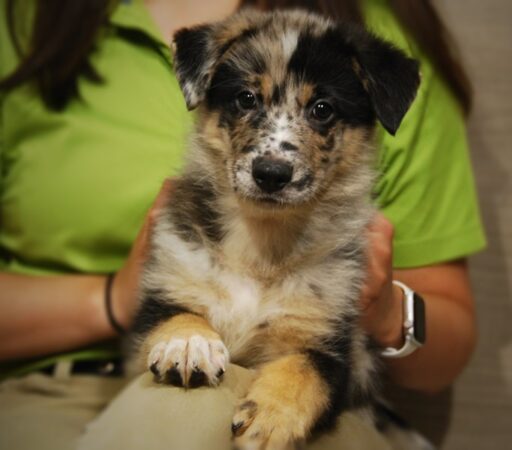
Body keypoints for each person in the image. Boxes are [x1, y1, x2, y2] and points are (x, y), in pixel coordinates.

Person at [0, 0, 486, 449]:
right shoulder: (26, 20)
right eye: (248, 101)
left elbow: (444, 348)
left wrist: (384, 311)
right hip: (69, 391)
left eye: (321, 112)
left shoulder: (375, 23)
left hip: (316, 413)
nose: (274, 155)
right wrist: (110, 299)